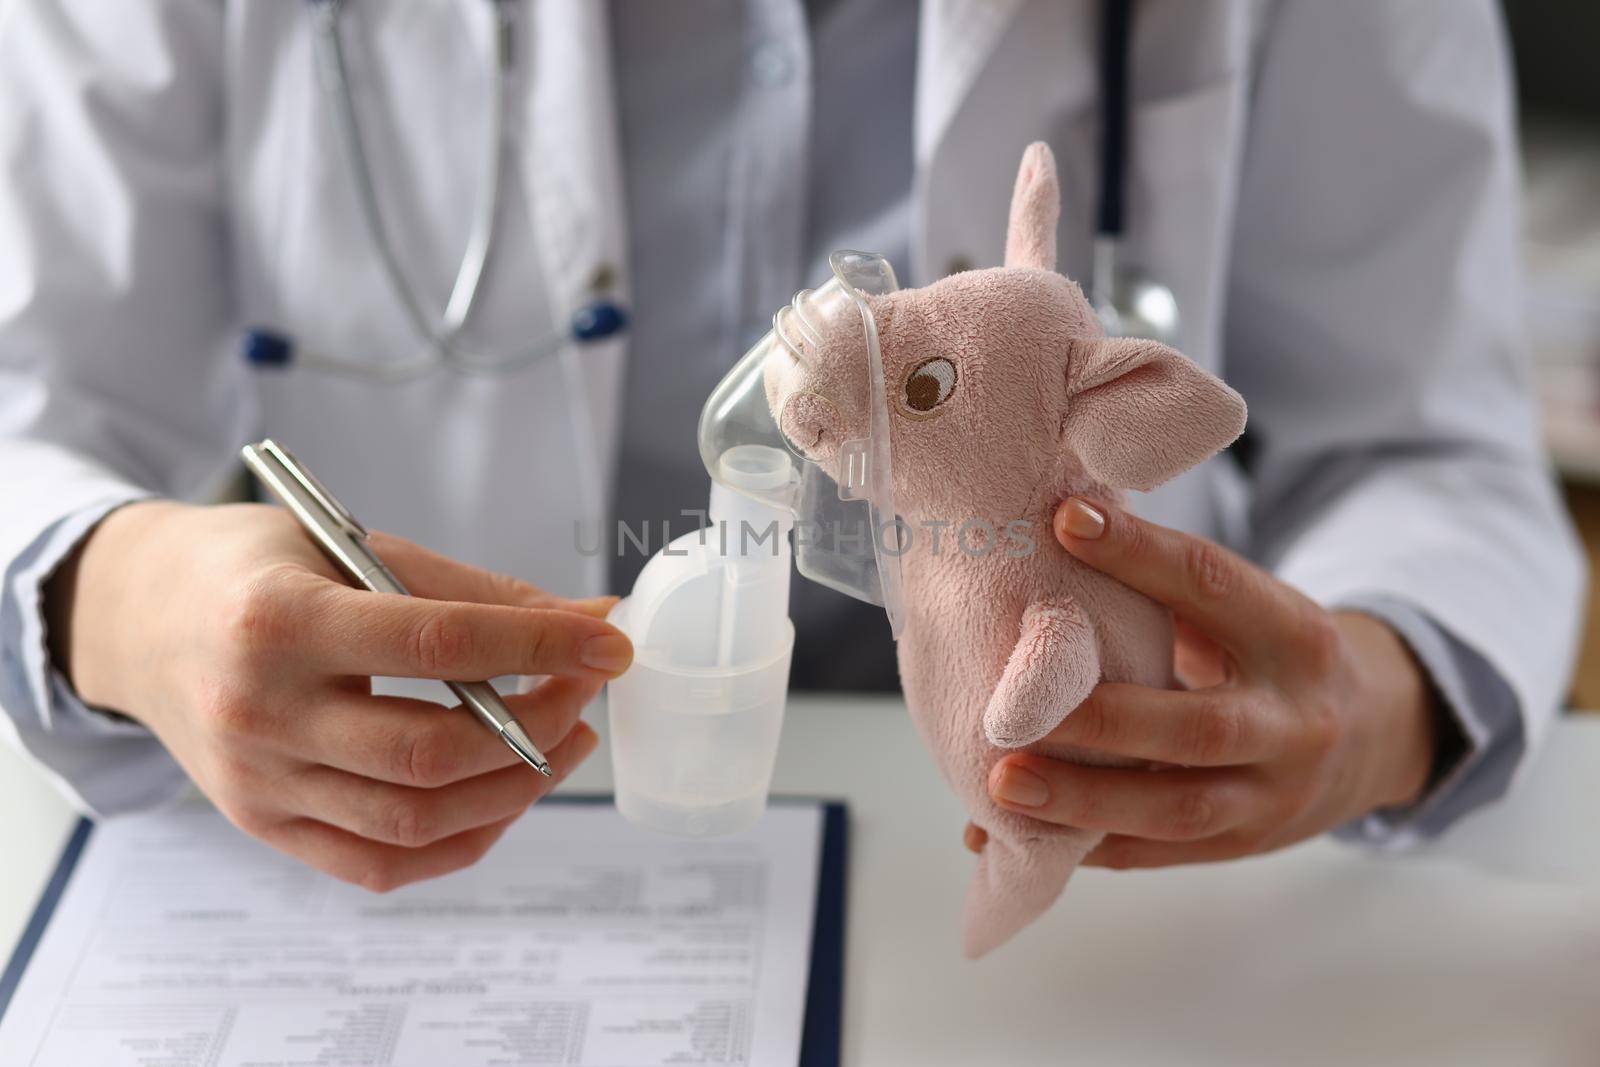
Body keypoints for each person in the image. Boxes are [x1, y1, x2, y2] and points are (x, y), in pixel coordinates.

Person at [0, 1, 1583, 892]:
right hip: (460, 861)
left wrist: (1365, 701)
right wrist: (124, 603)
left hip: (1112, 876)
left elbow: (1430, 449)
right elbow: (34, 409)